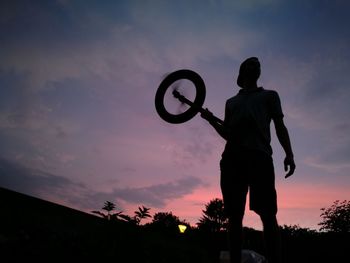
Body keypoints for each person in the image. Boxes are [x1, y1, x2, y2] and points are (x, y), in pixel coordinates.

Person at [201, 57, 295, 263]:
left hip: (260, 157)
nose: (256, 65)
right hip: (232, 159)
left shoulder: (270, 96)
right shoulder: (231, 102)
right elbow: (228, 133)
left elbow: (280, 126)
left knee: (268, 214)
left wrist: (289, 153)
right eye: (251, 63)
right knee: (234, 217)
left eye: (258, 64)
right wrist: (210, 121)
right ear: (242, 71)